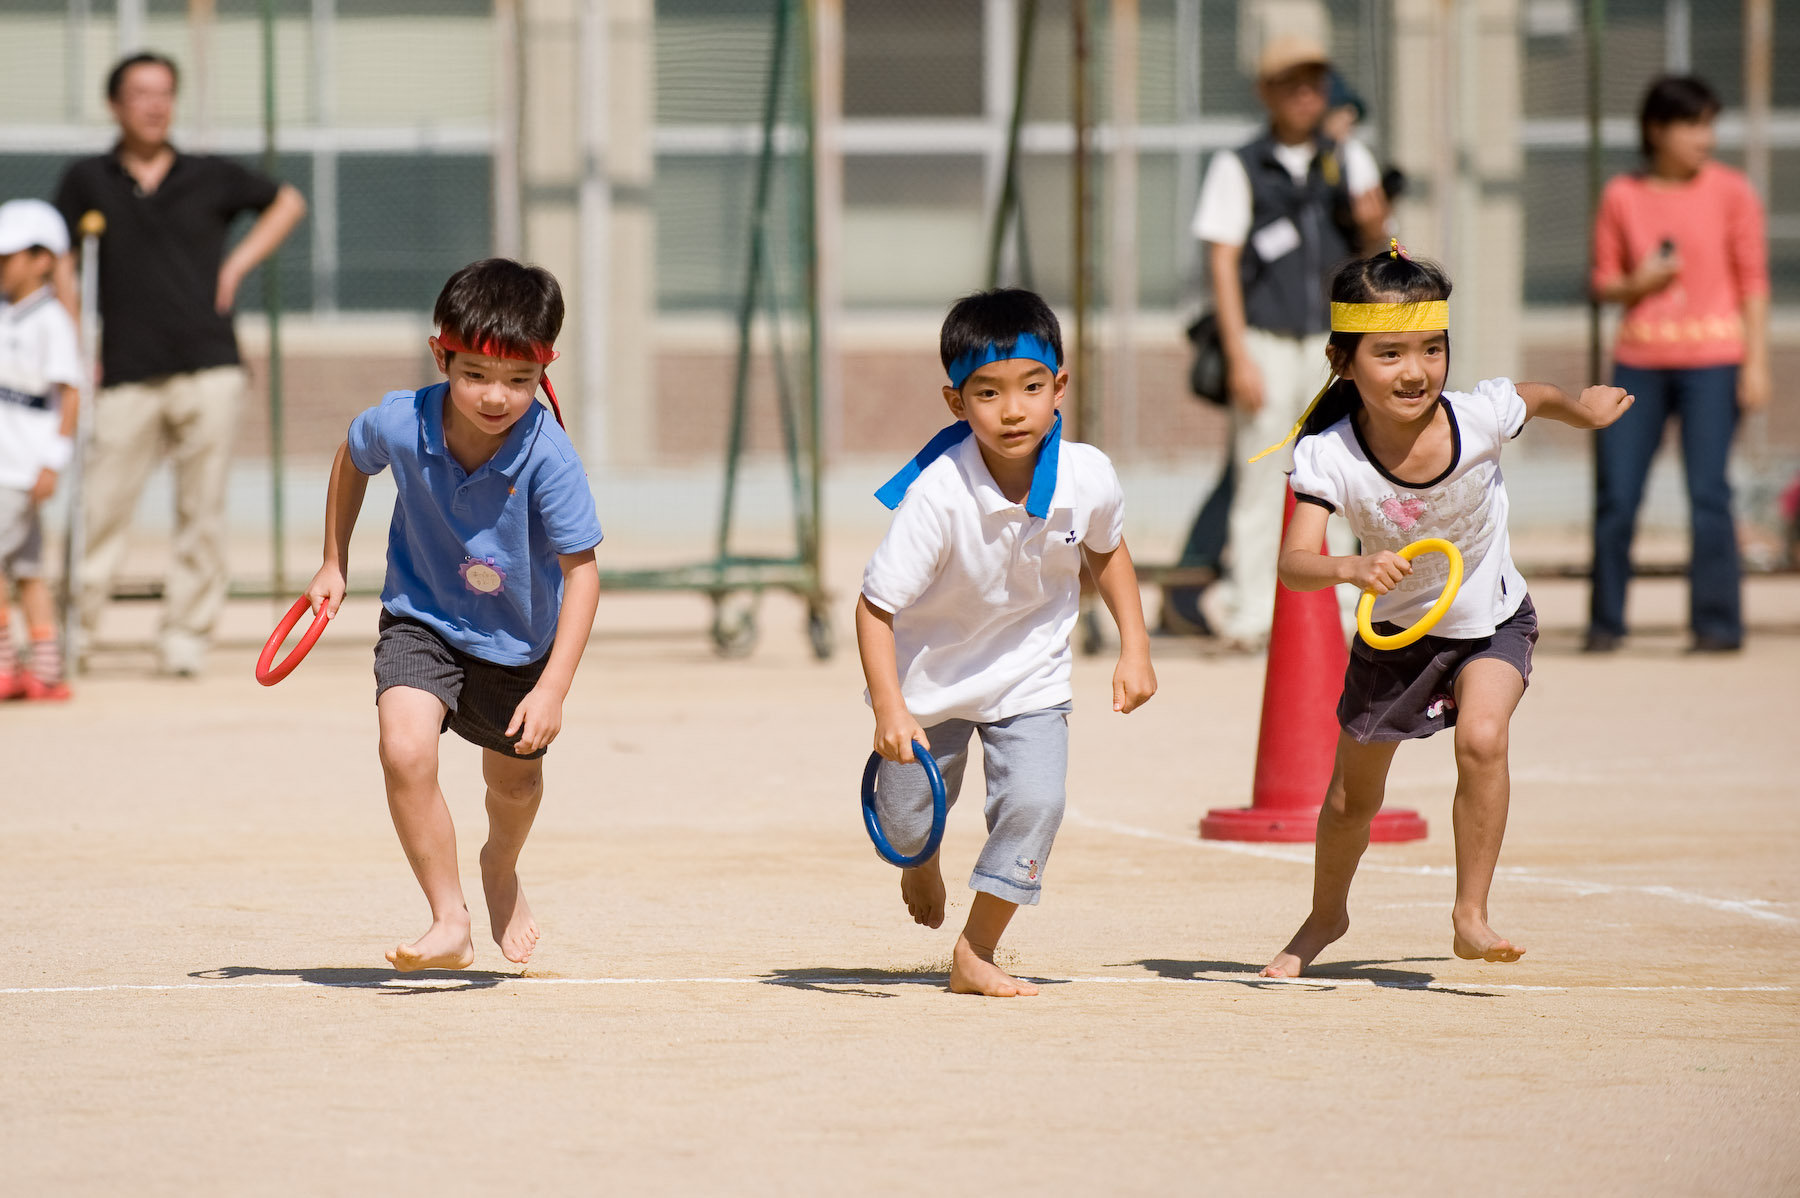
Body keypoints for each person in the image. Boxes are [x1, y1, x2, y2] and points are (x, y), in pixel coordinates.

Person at [1257, 245, 1634, 978]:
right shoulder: (1330, 456)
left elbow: (1535, 395)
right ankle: (1326, 915)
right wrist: (1350, 567)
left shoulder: (1479, 415)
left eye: (1432, 348)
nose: (1417, 370)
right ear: (1342, 362)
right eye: (1390, 353)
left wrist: (1583, 411)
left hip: (1491, 619)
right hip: (1396, 636)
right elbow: (1294, 564)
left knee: (1483, 740)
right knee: (1350, 800)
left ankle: (1471, 914)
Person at [856, 288, 1157, 998]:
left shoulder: (1088, 474)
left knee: (1037, 801)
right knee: (905, 826)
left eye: (1031, 387)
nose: (1013, 410)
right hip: (929, 683)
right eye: (988, 393)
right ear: (956, 403)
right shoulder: (937, 495)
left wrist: (1135, 647)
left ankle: (977, 950)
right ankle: (920, 857)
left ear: (1060, 387)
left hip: (1030, 677)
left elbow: (1108, 551)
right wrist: (890, 710)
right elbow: (873, 608)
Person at [303, 259, 602, 972]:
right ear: (441, 356)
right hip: (421, 616)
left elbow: (583, 576)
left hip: (518, 643)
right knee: (404, 750)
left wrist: (552, 688)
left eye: (519, 380)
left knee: (513, 786)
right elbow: (352, 456)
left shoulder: (549, 457)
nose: (496, 396)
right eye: (475, 374)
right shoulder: (402, 420)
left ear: (545, 370)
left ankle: (500, 866)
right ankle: (449, 917)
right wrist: (333, 561)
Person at [55, 52, 307, 677]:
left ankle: (184, 641)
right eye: (141, 93)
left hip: (209, 366)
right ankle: (69, 636)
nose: (155, 104)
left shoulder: (209, 174)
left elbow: (287, 202)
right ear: (115, 105)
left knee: (202, 513)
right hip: (124, 370)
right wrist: (74, 339)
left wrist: (237, 264)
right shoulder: (88, 179)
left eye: (165, 92)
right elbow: (59, 257)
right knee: (99, 508)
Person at [1188, 34, 1389, 651]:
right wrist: (1239, 355)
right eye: (1291, 83)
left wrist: (1375, 220)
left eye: (1314, 81)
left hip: (1334, 345)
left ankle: (1345, 611)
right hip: (1266, 341)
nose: (1306, 94)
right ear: (1266, 92)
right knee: (1260, 475)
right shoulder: (1239, 164)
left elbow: (1377, 247)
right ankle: (1253, 612)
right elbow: (1222, 262)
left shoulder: (1348, 157)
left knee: (1344, 471)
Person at [1586, 75, 1770, 654]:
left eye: (1709, 124)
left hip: (1715, 363)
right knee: (1618, 494)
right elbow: (1602, 282)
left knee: (1709, 494)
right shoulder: (1622, 195)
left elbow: (1753, 282)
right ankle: (1605, 624)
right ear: (1656, 129)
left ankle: (1717, 626)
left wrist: (1757, 364)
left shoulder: (1732, 191)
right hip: (1638, 363)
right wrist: (1640, 282)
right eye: (1692, 124)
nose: (1704, 138)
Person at [0, 200, 83, 701]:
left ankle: (6, 665)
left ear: (41, 260)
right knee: (28, 569)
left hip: (21, 467)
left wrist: (54, 460)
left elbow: (70, 393)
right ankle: (46, 671)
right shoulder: (6, 313)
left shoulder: (51, 320)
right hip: (6, 464)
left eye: (9, 257)